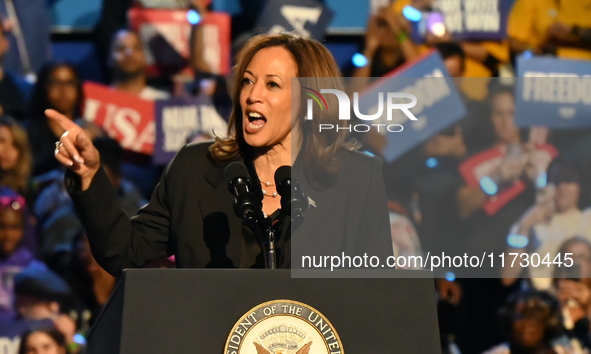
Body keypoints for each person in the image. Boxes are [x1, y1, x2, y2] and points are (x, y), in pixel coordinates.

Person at [47, 33, 393, 276]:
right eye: (247, 81)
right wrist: (90, 177)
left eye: (272, 84)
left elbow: (373, 291)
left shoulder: (356, 178)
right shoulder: (195, 169)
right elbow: (125, 252)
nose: (252, 95)